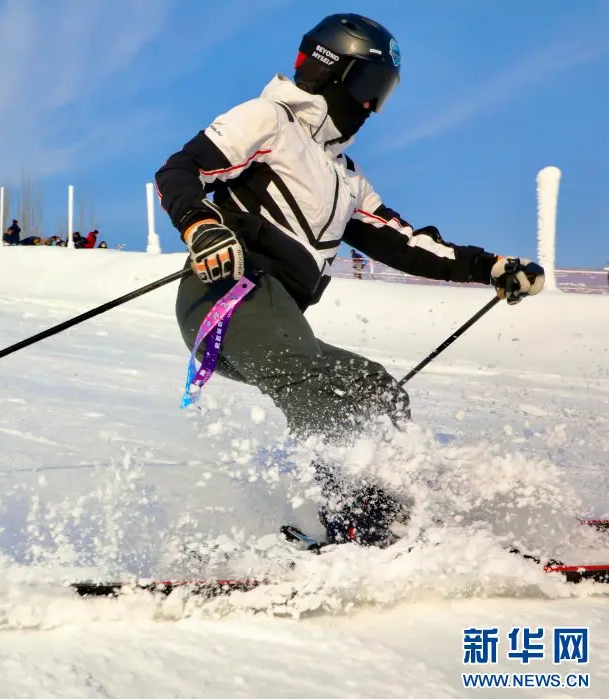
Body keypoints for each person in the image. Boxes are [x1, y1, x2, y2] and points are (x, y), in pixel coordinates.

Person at [154, 13, 546, 547]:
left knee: (376, 390)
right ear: (331, 69)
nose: (370, 105)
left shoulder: (346, 176)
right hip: (228, 296)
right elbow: (180, 170)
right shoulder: (269, 119)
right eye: (369, 85)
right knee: (314, 383)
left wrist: (489, 267)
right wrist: (201, 225)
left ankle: (393, 510)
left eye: (381, 93)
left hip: (276, 316)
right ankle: (341, 519)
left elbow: (405, 243)